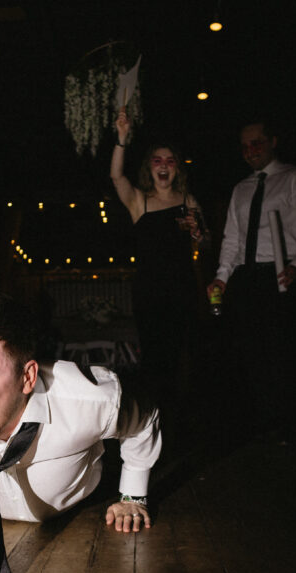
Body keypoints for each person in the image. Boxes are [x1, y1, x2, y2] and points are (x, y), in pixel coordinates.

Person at [0, 292, 160, 534]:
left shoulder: (92, 401)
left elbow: (145, 419)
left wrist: (132, 495)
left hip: (80, 511)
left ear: (27, 377)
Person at [206, 119, 296, 444]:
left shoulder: (293, 179)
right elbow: (232, 240)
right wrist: (221, 277)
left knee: (283, 353)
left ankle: (290, 425)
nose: (250, 151)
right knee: (250, 353)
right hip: (247, 278)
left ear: (272, 141)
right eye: (244, 146)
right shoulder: (241, 189)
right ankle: (261, 422)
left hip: (281, 274)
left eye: (256, 143)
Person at [111, 108, 204, 411]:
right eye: (157, 160)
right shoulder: (140, 200)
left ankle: (181, 417)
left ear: (177, 168)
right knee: (154, 358)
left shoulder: (189, 200)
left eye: (170, 160)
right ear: (149, 168)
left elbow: (203, 244)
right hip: (150, 291)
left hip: (183, 289)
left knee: (182, 356)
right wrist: (122, 139)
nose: (163, 166)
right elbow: (116, 175)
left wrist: (199, 234)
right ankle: (155, 420)